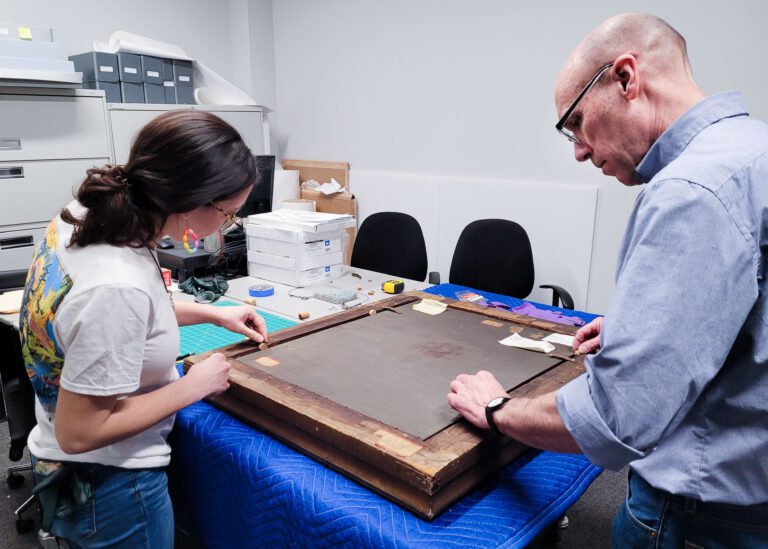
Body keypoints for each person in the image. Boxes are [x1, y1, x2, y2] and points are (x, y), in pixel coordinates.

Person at [448, 13, 768, 548]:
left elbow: (616, 418)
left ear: (625, 78)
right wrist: (645, 331)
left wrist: (497, 409)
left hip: (696, 519)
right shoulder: (751, 148)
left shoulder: (691, 190)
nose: (576, 149)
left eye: (575, 123)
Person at [19, 110, 269, 548]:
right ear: (194, 202)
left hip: (81, 470)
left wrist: (215, 314)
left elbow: (131, 313)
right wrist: (195, 385)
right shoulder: (116, 285)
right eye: (229, 215)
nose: (228, 225)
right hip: (112, 483)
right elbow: (79, 433)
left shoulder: (91, 214)